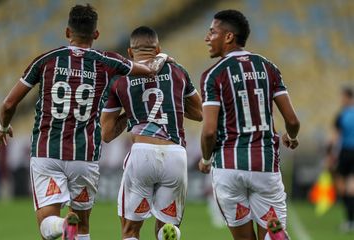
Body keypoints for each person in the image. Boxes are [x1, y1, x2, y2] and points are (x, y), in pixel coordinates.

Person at [0, 5, 168, 240]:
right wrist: (163, 57)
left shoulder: (46, 60)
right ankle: (71, 225)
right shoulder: (108, 61)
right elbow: (150, 71)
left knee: (48, 225)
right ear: (96, 34)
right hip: (84, 156)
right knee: (83, 226)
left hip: (47, 152)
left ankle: (61, 225)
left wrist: (4, 126)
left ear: (68, 32)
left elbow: (7, 105)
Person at [198, 10, 300, 240]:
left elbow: (209, 131)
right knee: (273, 232)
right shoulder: (268, 67)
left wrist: (205, 159)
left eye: (212, 32)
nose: (207, 38)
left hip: (228, 169)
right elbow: (292, 121)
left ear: (228, 37)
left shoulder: (213, 75)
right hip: (264, 167)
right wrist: (291, 136)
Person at [100, 26, 202, 240]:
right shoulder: (177, 71)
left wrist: (133, 109)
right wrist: (169, 102)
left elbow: (107, 133)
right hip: (175, 155)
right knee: (167, 230)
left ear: (130, 52)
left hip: (142, 154)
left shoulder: (120, 79)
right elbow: (200, 112)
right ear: (159, 49)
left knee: (130, 231)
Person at [329, 86, 354, 232]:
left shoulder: (342, 115)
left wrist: (331, 155)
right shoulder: (342, 114)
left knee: (347, 188)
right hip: (347, 153)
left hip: (347, 153)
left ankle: (350, 220)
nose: (341, 100)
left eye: (343, 97)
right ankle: (350, 220)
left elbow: (335, 136)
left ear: (348, 97)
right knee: (347, 187)